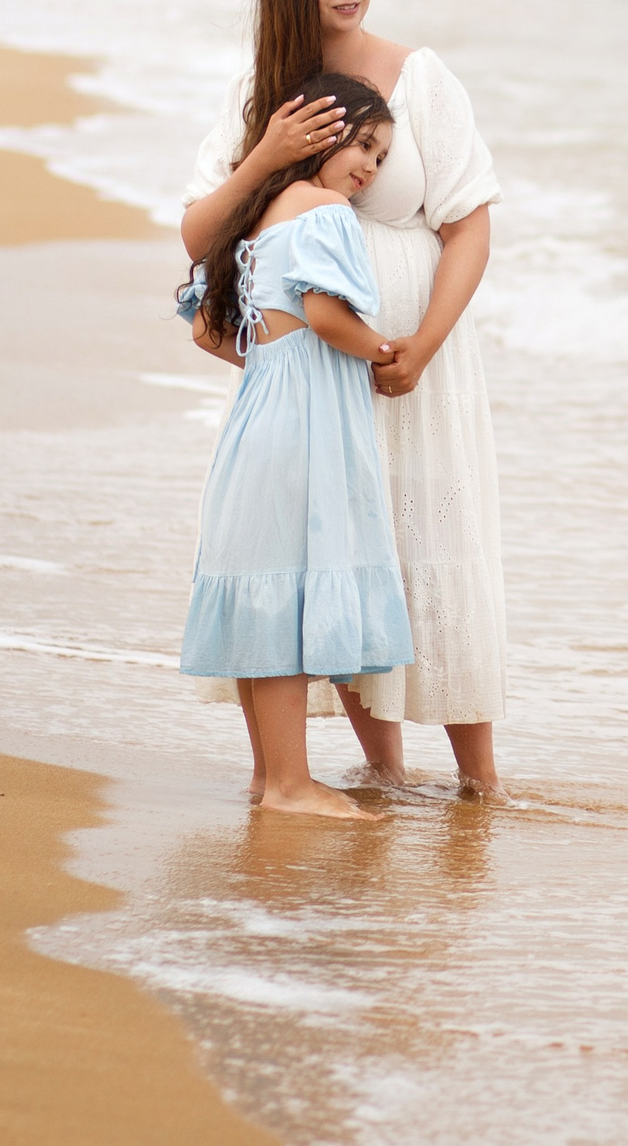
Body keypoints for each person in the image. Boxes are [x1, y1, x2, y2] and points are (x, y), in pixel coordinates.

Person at [182, 0, 508, 796]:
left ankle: (482, 783)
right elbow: (199, 233)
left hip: (413, 351)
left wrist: (425, 345)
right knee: (350, 551)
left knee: (437, 539)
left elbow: (471, 225)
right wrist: (268, 152)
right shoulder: (261, 94)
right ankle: (385, 775)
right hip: (324, 368)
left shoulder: (419, 79)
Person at [181, 73, 409, 822]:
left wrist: (278, 365)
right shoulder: (325, 210)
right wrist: (382, 350)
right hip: (305, 424)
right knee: (289, 589)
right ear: (322, 133)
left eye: (381, 156)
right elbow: (323, 310)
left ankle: (268, 774)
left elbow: (209, 330)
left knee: (265, 581)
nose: (370, 168)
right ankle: (290, 785)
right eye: (364, 145)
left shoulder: (256, 220)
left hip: (258, 418)